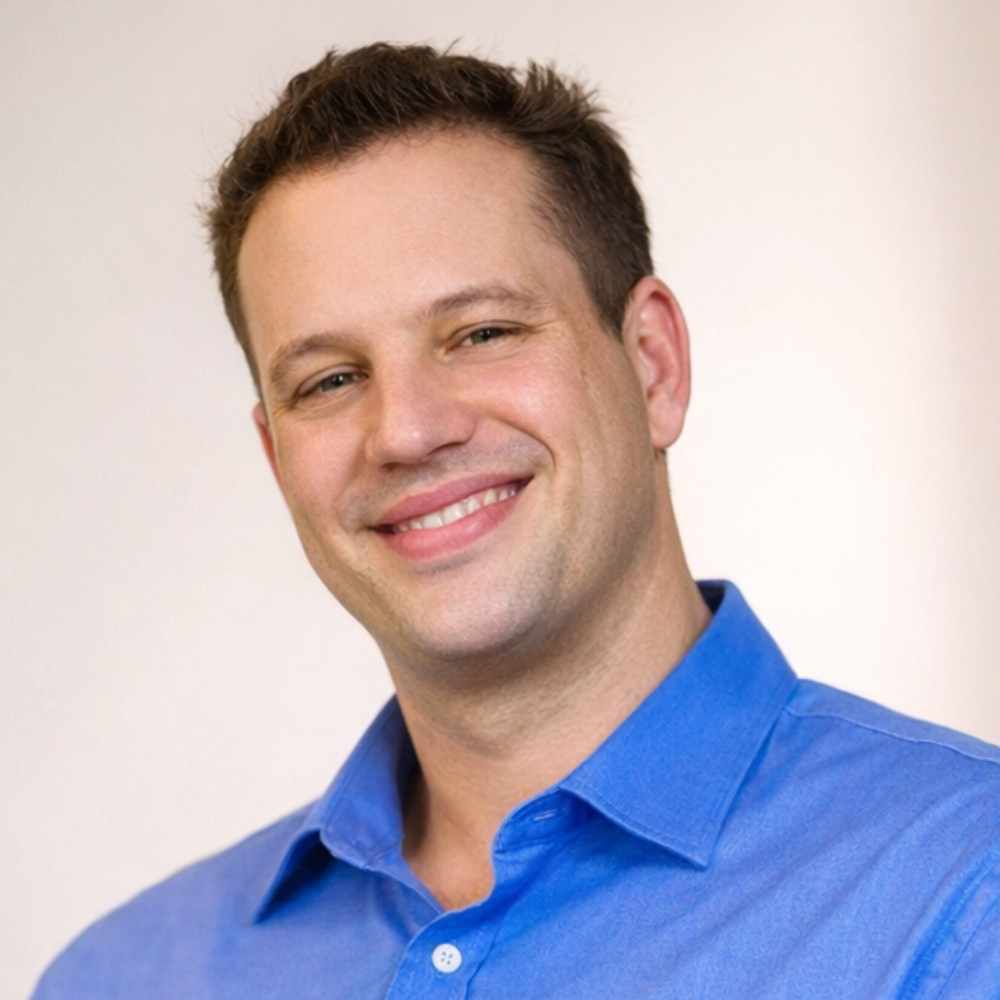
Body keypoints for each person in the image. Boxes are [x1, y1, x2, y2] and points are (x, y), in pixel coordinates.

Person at [33, 42, 999, 999]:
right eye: (330, 380)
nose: (406, 431)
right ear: (277, 457)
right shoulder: (121, 976)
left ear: (653, 365)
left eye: (482, 332)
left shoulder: (965, 890)